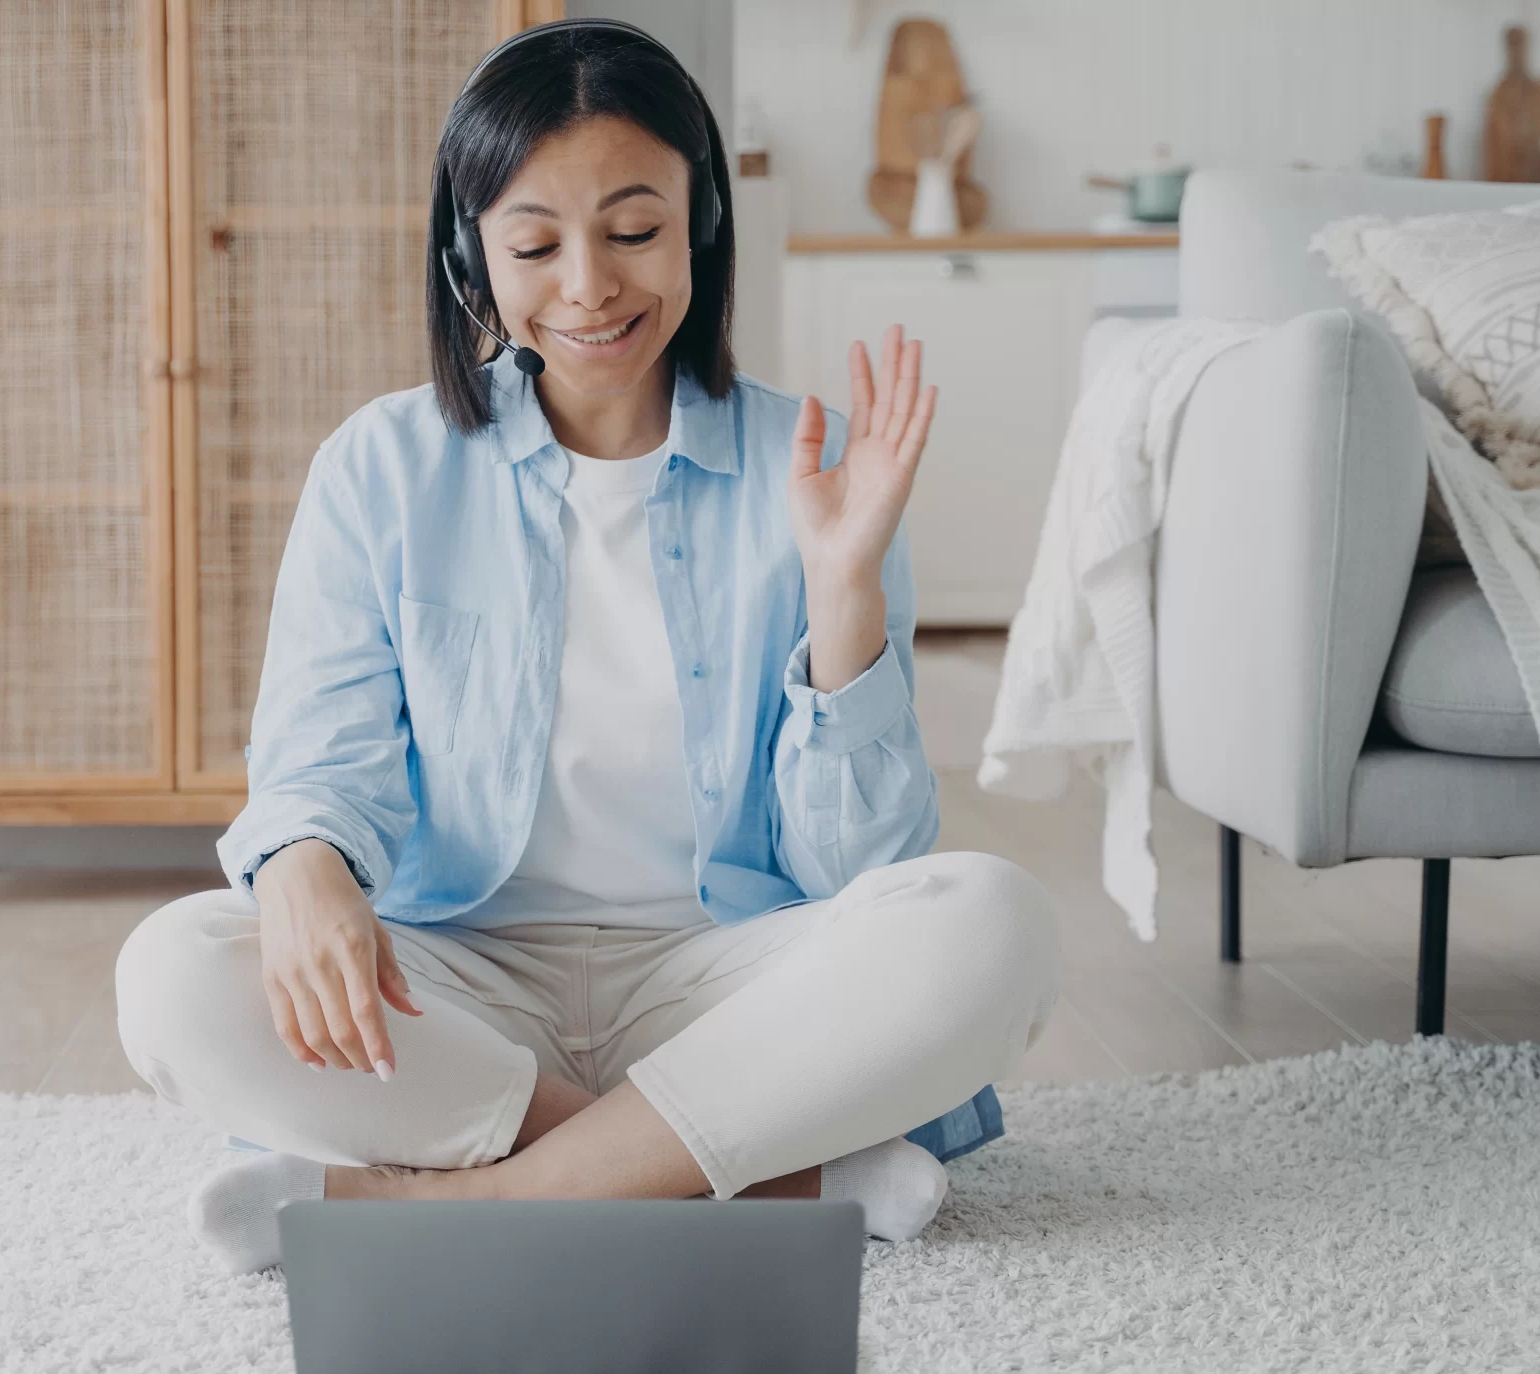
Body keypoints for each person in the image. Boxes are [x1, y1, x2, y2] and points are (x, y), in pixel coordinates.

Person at [114, 19, 1060, 1274]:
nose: (589, 287)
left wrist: (843, 600)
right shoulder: (381, 468)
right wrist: (300, 870)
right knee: (174, 971)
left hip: (724, 982)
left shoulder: (815, 474)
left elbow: (861, 872)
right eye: (534, 244)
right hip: (459, 982)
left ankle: (466, 1201)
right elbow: (316, 760)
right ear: (471, 258)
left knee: (988, 918)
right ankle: (758, 1175)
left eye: (631, 231)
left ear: (698, 227)